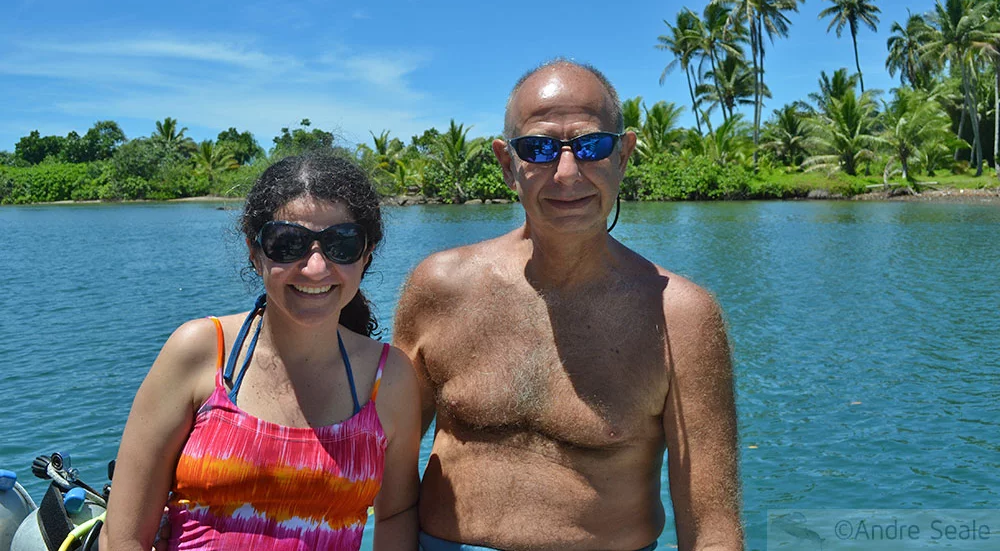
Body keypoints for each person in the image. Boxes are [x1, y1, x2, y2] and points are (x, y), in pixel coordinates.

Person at [394, 60, 743, 551]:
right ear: (505, 163)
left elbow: (712, 531)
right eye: (537, 148)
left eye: (592, 147)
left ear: (623, 155)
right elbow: (388, 477)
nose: (566, 173)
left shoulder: (682, 317)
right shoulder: (439, 287)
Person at [102, 153, 421, 551]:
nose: (316, 267)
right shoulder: (202, 352)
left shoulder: (389, 378)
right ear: (255, 252)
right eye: (288, 244)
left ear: (366, 255)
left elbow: (396, 512)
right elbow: (124, 537)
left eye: (342, 243)